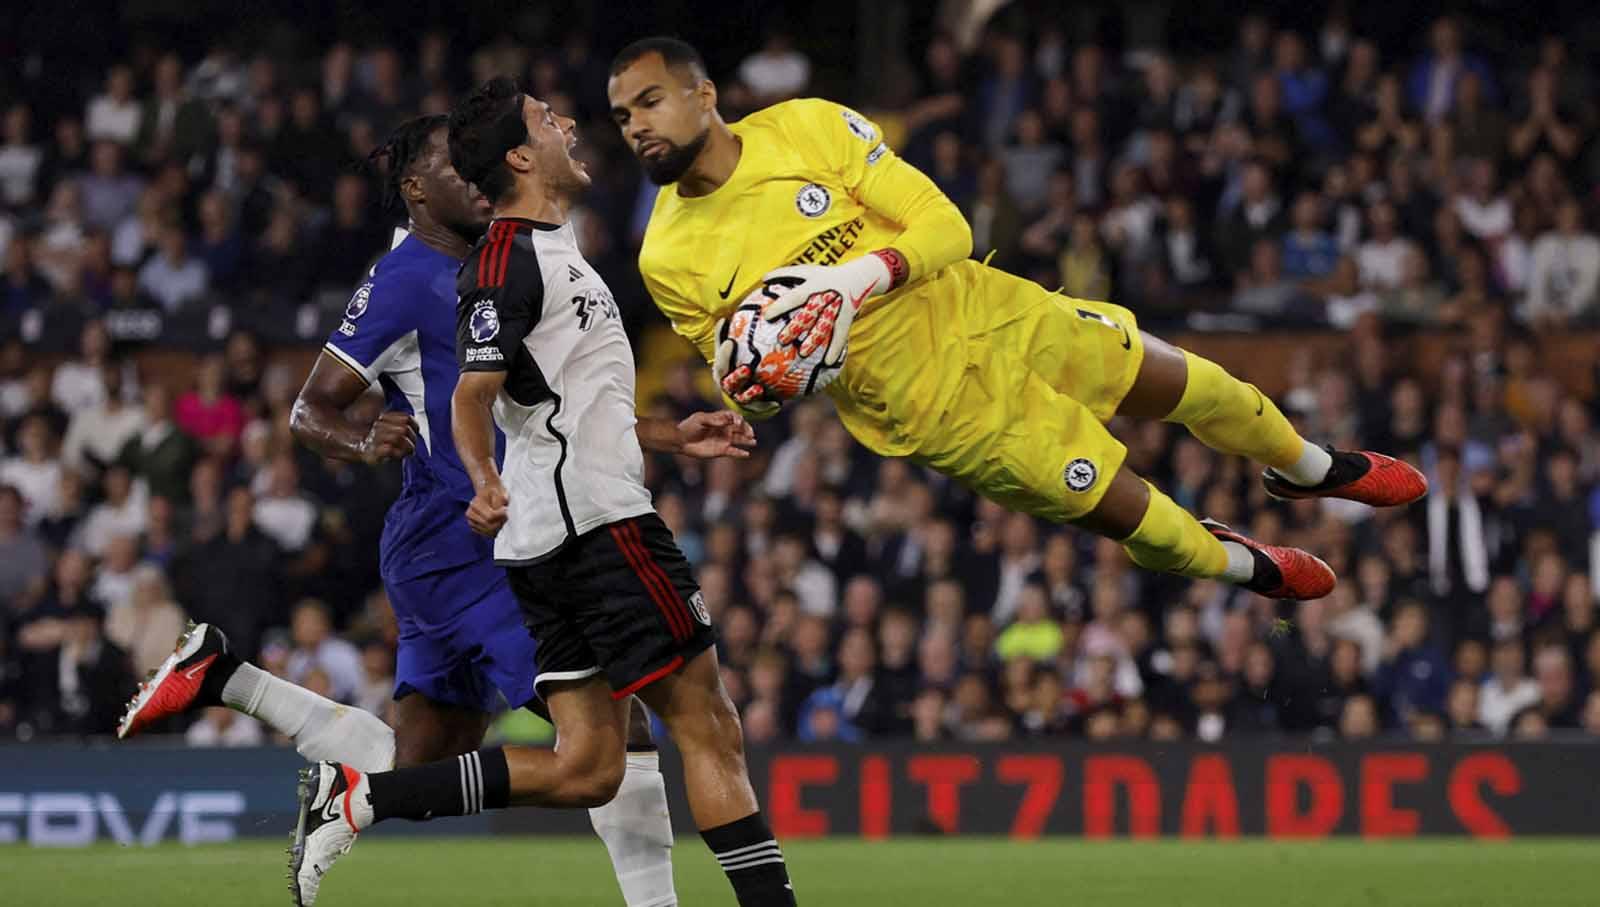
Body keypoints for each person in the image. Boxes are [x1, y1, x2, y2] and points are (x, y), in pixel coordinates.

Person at [118, 115, 752, 907]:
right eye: (456, 168)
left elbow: (555, 408)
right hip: (468, 539)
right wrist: (361, 438)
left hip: (470, 536)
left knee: (414, 768)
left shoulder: (508, 263)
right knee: (610, 736)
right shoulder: (405, 276)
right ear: (416, 189)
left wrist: (666, 434)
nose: (477, 179)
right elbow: (308, 411)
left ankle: (228, 677)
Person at [608, 37, 1429, 603]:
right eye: (621, 116)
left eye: (650, 101)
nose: (638, 124)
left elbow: (948, 228)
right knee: (1149, 523)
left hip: (994, 309)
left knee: (1202, 384)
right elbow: (749, 379)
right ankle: (1241, 566)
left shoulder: (806, 127)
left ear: (703, 95)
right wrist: (765, 380)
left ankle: (1307, 466)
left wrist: (849, 283)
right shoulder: (666, 255)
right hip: (941, 410)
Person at [287, 82, 795, 907]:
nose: (569, 127)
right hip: (571, 525)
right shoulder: (494, 262)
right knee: (706, 722)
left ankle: (360, 794)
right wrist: (474, 478)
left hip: (538, 526)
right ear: (518, 157)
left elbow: (553, 400)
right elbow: (465, 398)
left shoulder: (531, 249)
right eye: (548, 122)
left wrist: (671, 435)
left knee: (584, 762)